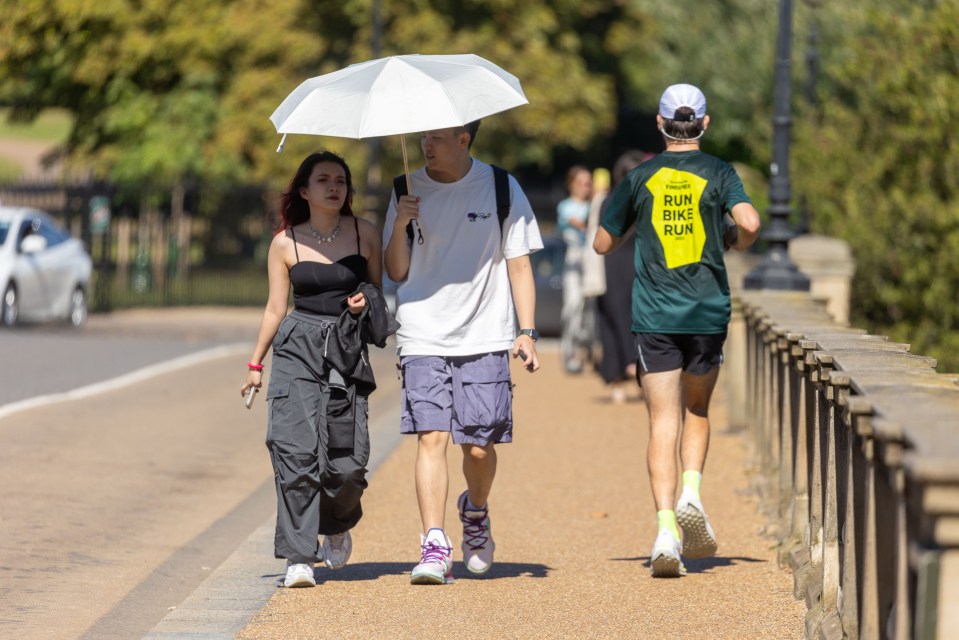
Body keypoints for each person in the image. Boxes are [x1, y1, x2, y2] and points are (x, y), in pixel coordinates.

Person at [593, 84, 761, 577]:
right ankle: (692, 492)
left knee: (662, 421)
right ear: (704, 124)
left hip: (656, 316)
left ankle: (666, 528)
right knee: (698, 409)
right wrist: (733, 239)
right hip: (708, 313)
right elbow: (749, 222)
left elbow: (603, 244)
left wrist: (630, 224)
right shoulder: (720, 171)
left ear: (661, 125)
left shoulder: (640, 176)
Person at [383, 121, 543, 585]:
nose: (425, 146)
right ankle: (433, 542)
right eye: (421, 138)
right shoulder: (406, 188)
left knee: (478, 446)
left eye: (435, 138)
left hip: (485, 335)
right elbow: (395, 269)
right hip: (422, 334)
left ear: (463, 140)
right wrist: (400, 221)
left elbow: (519, 264)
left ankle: (475, 511)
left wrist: (526, 331)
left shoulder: (499, 186)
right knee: (430, 437)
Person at [241, 151, 395, 589]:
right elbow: (275, 307)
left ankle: (337, 522)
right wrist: (256, 363)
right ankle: (299, 555)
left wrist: (364, 303)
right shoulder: (284, 242)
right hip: (297, 347)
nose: (335, 187)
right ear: (304, 191)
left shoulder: (364, 233)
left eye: (341, 180)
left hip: (346, 349)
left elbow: (379, 294)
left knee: (347, 465)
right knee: (294, 452)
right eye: (324, 180)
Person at [594, 151, 654, 404]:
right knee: (636, 320)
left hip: (609, 265)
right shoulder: (643, 199)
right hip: (635, 265)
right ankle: (636, 367)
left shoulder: (607, 200)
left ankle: (618, 381)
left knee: (611, 321)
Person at [556, 165, 593, 373]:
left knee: (589, 312)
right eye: (581, 182)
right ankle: (569, 351)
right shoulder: (566, 206)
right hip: (574, 262)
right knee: (573, 306)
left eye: (588, 183)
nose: (585, 187)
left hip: (592, 262)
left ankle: (584, 353)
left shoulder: (593, 205)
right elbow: (573, 222)